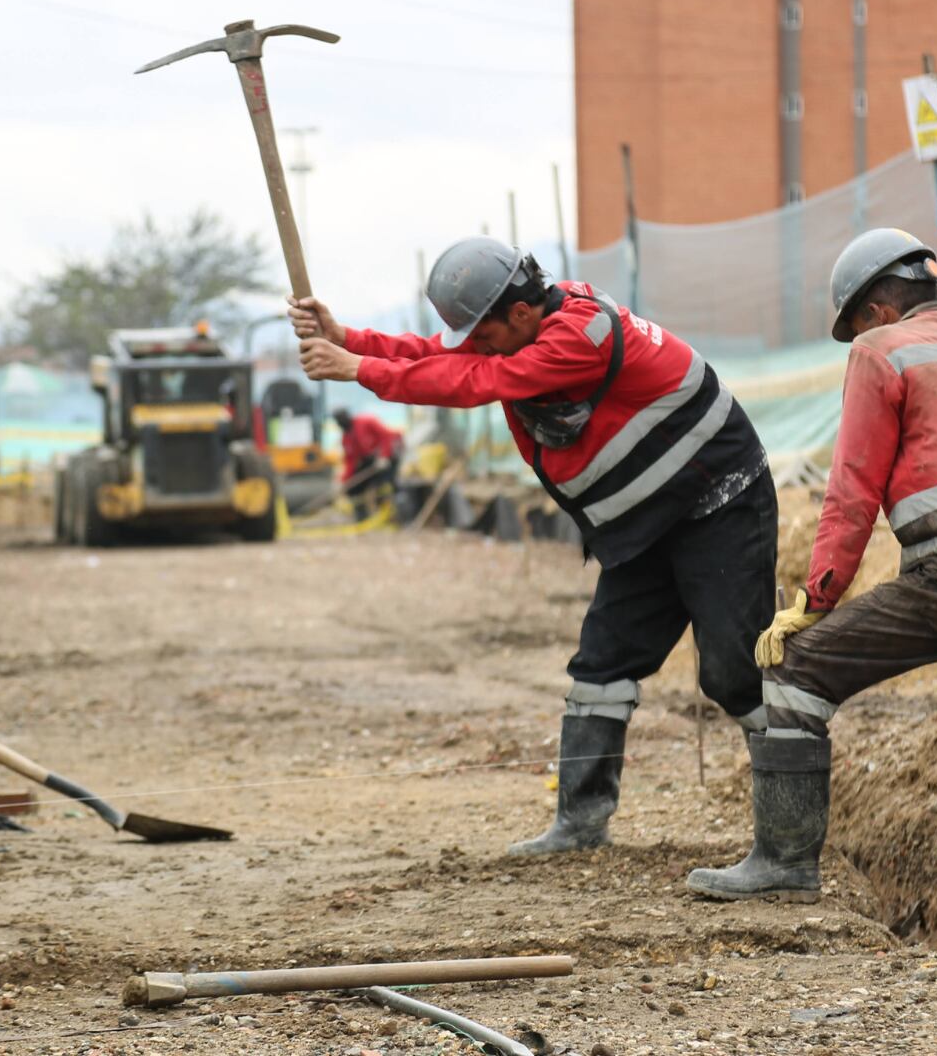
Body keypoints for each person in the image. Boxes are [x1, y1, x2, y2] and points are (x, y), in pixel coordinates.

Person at [687, 228, 937, 995]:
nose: (856, 339)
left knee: (797, 673)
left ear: (876, 307)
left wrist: (815, 601)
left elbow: (853, 488)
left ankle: (784, 863)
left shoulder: (882, 352)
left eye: (855, 324)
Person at [289, 236, 778, 857]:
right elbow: (444, 352)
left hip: (721, 503)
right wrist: (352, 338)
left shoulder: (577, 338)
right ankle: (580, 826)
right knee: (602, 665)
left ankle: (785, 851)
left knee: (736, 674)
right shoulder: (522, 323)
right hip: (648, 521)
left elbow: (475, 378)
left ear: (519, 314)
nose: (480, 344)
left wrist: (358, 371)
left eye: (485, 333)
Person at [332, 408, 401, 517]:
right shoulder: (346, 438)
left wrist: (384, 456)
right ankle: (362, 517)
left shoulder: (366, 422)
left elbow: (386, 436)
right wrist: (344, 481)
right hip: (371, 461)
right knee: (354, 487)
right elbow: (350, 461)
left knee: (385, 484)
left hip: (389, 456)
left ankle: (391, 514)